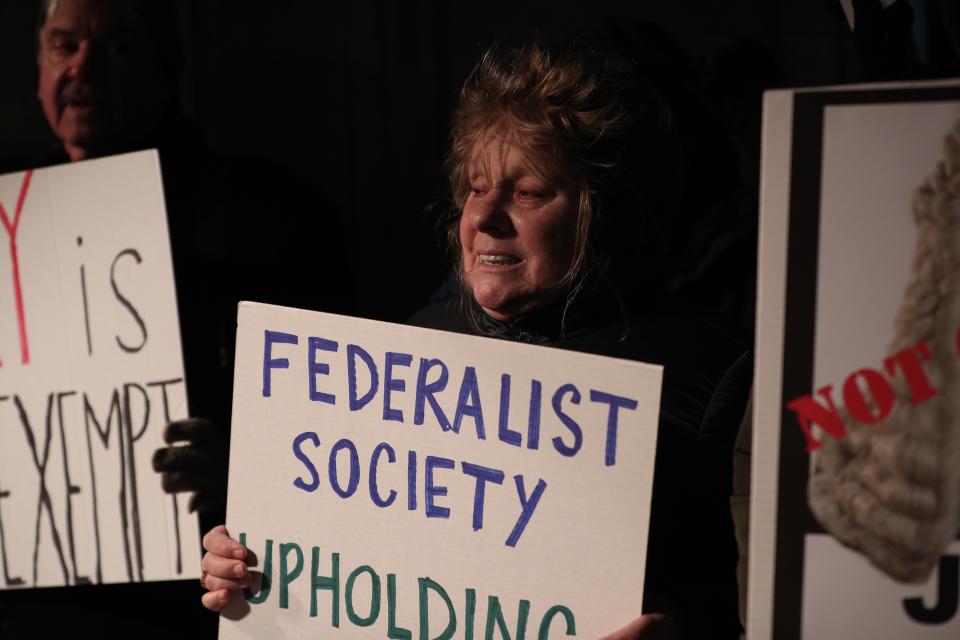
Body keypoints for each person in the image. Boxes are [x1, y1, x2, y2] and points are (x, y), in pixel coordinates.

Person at [199, 36, 751, 639]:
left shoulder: (713, 373)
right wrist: (251, 562)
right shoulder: (405, 354)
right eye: (475, 186)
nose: (483, 217)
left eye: (528, 192)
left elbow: (758, 601)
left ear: (606, 210)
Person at [0, 0, 352, 636]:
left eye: (116, 47)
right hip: (27, 593)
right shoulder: (8, 207)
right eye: (63, 45)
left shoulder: (266, 215)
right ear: (37, 69)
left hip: (198, 596)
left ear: (168, 68)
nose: (83, 65)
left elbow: (336, 428)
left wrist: (243, 466)